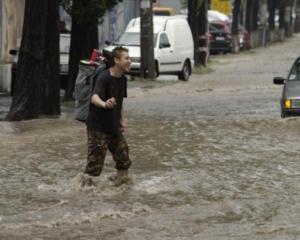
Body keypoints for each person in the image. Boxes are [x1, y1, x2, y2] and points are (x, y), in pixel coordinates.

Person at [83, 46, 132, 186]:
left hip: (113, 127)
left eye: (130, 58)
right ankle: (84, 193)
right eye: (127, 58)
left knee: (124, 160)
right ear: (117, 60)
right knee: (94, 165)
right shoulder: (104, 76)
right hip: (98, 128)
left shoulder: (123, 79)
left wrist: (122, 119)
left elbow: (120, 101)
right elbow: (94, 97)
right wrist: (105, 104)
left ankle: (121, 189)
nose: (130, 61)